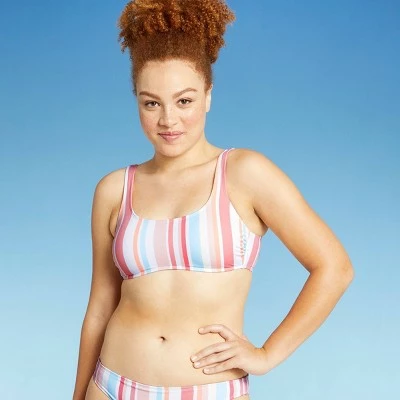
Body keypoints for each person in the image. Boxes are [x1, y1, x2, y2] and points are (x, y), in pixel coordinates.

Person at [73, 1, 354, 399]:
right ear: (136, 100)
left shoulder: (245, 173)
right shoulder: (114, 189)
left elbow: (334, 268)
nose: (168, 120)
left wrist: (267, 355)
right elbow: (100, 308)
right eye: (151, 103)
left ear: (208, 96)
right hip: (111, 385)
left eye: (184, 101)